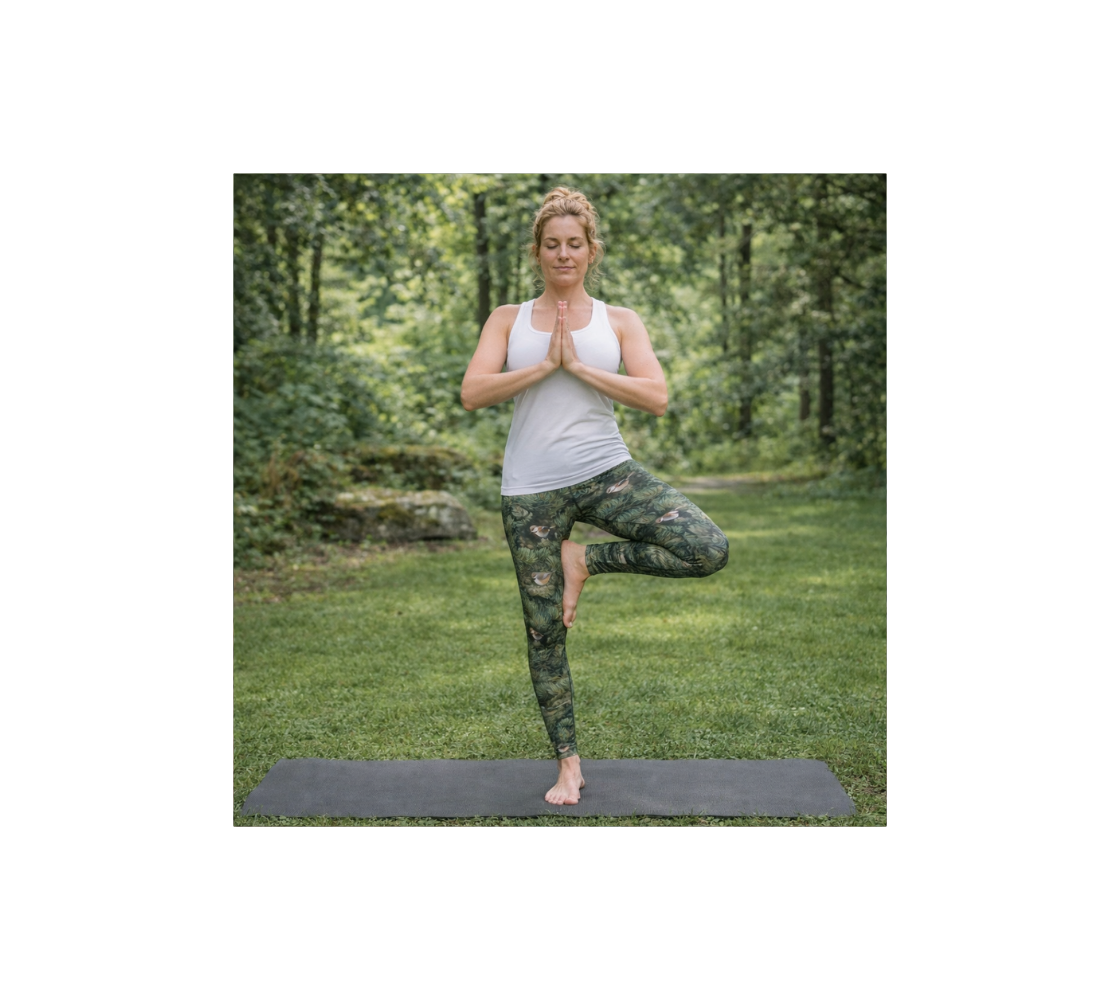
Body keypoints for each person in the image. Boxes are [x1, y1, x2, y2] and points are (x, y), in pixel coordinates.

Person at [461, 187, 729, 805]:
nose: (563, 254)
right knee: (543, 630)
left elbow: (656, 397)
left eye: (574, 244)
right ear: (537, 251)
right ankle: (568, 764)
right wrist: (545, 365)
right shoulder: (508, 317)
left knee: (705, 547)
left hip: (607, 472)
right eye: (551, 244)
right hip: (530, 491)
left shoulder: (619, 321)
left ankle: (585, 559)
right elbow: (474, 392)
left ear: (591, 250)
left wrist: (580, 367)